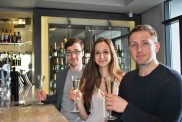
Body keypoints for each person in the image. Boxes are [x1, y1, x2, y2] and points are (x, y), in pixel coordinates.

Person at [105, 24, 182, 122]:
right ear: (129, 49)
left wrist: (126, 109)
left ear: (156, 47)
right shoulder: (127, 79)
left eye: (145, 43)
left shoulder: (173, 80)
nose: (139, 49)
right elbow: (119, 117)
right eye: (134, 44)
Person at [70, 37, 125, 121]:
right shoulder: (88, 79)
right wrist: (78, 100)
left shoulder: (122, 78)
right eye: (97, 53)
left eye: (105, 52)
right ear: (93, 56)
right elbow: (85, 117)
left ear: (112, 54)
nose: (101, 56)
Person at [37, 37, 85, 122]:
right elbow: (58, 98)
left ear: (83, 53)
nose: (73, 56)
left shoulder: (91, 75)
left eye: (76, 52)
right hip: (60, 119)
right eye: (69, 52)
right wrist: (46, 98)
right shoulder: (61, 74)